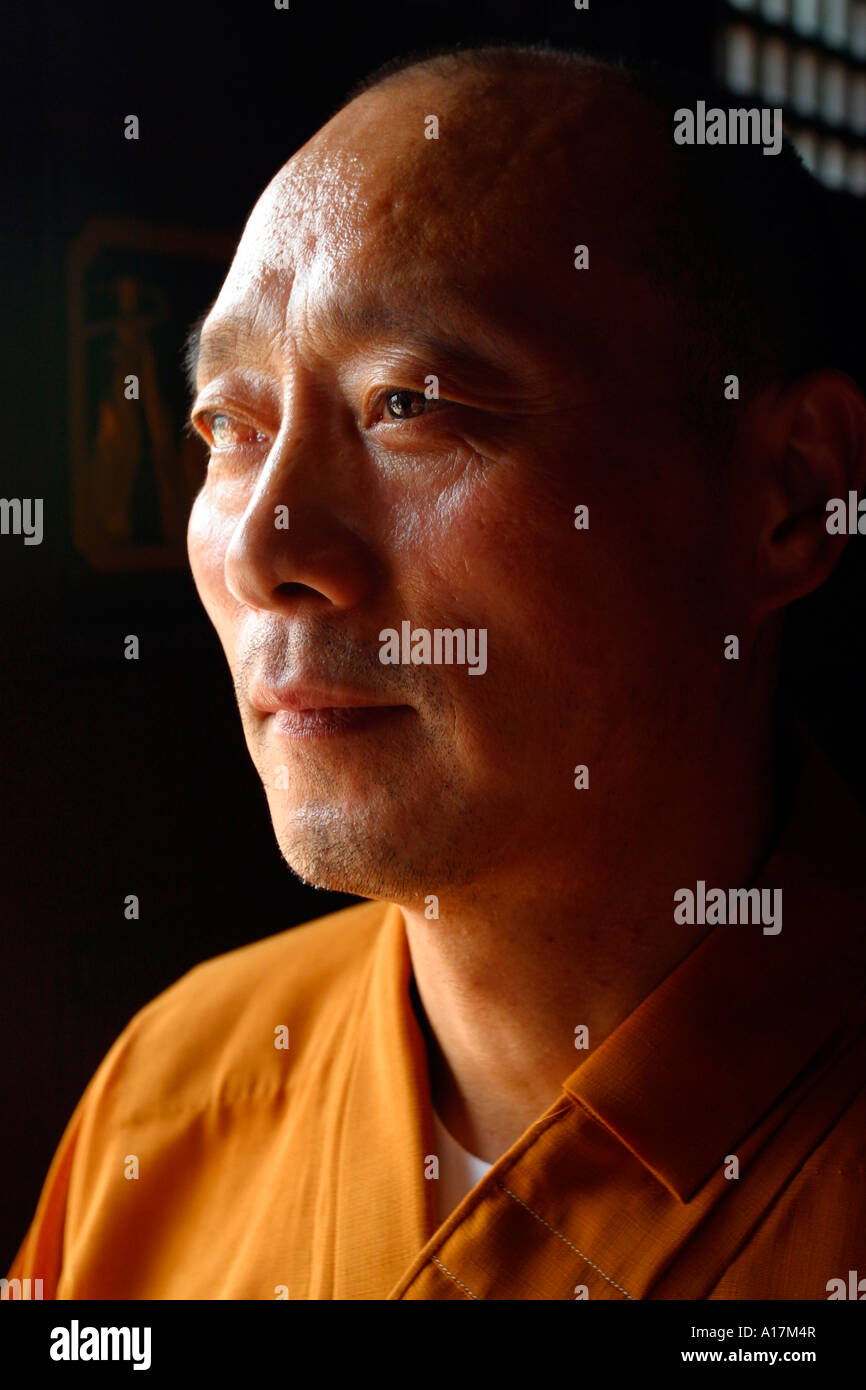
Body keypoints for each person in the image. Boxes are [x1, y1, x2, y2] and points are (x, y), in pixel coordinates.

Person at [8, 44, 866, 1301]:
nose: (262, 548)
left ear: (788, 496)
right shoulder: (175, 1089)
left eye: (409, 403)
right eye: (231, 427)